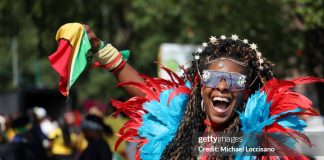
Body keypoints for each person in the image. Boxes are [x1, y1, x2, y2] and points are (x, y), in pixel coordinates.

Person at [51, 24, 324, 159]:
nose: (221, 86)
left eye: (233, 80)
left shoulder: (257, 140)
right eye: (213, 77)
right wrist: (100, 48)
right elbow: (146, 92)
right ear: (199, 86)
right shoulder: (180, 127)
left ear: (248, 91)